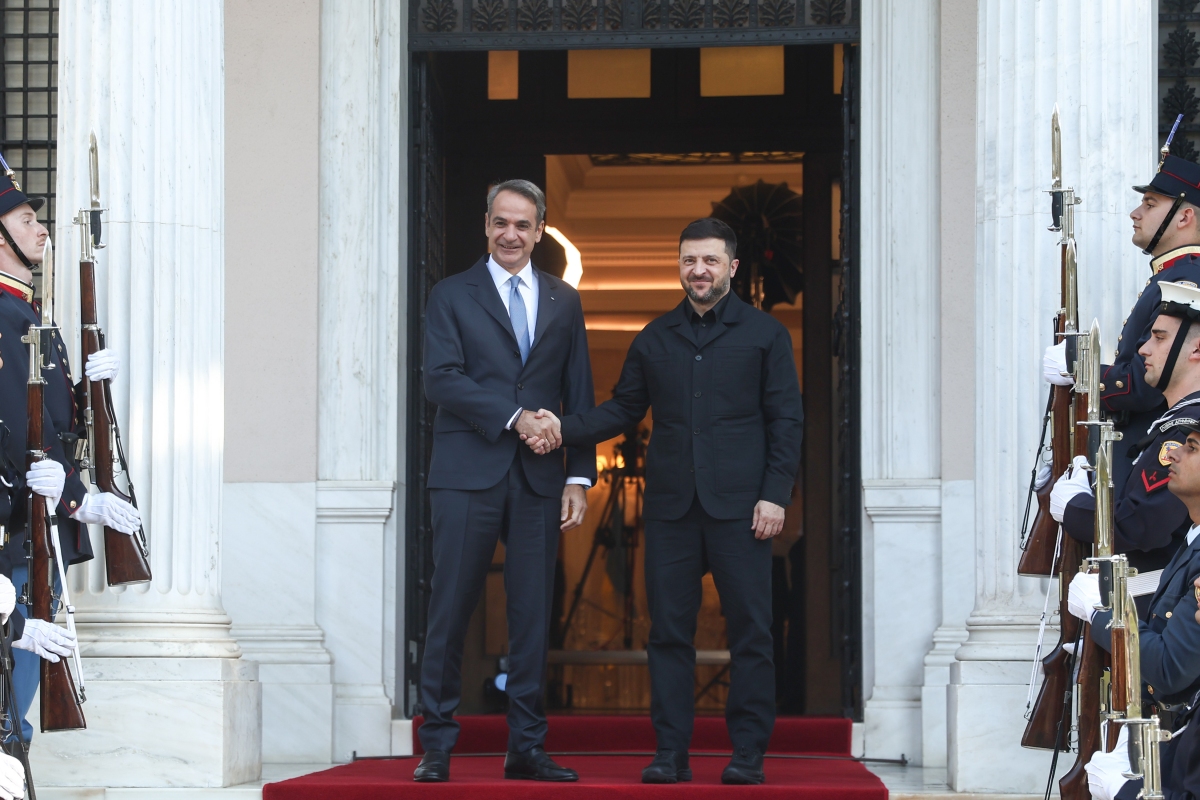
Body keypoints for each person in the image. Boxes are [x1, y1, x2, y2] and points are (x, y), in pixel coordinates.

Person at [522, 217, 804, 785]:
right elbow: (624, 409)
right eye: (689, 260)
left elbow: (787, 421)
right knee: (668, 635)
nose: (698, 270)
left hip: (742, 511)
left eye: (709, 260)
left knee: (752, 634)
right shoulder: (654, 338)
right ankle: (671, 754)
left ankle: (747, 753)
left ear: (731, 267)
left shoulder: (765, 335)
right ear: (679, 266)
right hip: (671, 511)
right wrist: (563, 427)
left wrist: (775, 496)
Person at [413, 180, 596, 783]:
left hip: (541, 479)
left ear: (540, 231)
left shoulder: (564, 300)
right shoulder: (450, 294)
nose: (510, 235)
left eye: (522, 225)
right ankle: (437, 746)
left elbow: (578, 391)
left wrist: (578, 475)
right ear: (486, 225)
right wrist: (517, 418)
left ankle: (527, 748)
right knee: (450, 608)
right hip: (467, 473)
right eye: (500, 223)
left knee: (532, 614)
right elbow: (441, 378)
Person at [0, 163, 140, 741]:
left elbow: (52, 421)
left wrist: (88, 388)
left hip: (38, 520)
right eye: (24, 221)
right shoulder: (5, 311)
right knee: (9, 707)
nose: (41, 230)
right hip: (18, 522)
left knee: (16, 706)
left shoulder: (24, 308)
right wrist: (80, 500)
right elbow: (15, 425)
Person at [1044, 153, 1200, 499]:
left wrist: (1081, 369)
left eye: (1150, 204)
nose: (1135, 213)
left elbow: (1150, 383)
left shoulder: (1186, 280)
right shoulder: (1171, 275)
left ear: (1184, 216)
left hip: (1154, 461)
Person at [1068, 414, 1200, 800]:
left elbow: (1170, 667)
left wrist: (1103, 614)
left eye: (1192, 448)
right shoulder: (1192, 542)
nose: (1172, 454)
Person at [1049, 279, 1200, 612]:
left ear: (1196, 350)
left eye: (1159, 338)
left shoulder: (1186, 430)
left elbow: (1142, 526)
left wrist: (1074, 508)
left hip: (1156, 609)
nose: (1144, 348)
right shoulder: (1175, 423)